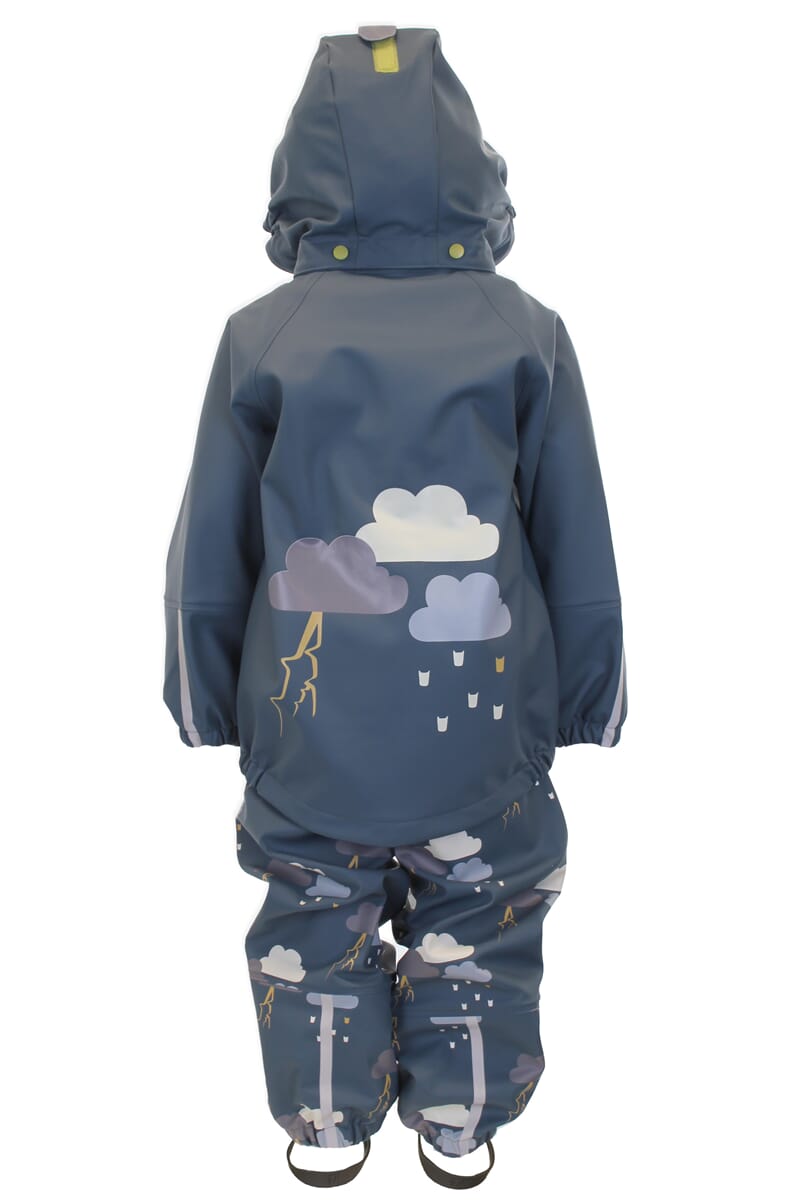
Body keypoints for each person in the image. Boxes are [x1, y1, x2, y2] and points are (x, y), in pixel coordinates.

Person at [163, 25, 627, 1189]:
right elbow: (573, 539)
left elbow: (211, 548)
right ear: (467, 167)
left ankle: (324, 1123)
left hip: (305, 736)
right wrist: (586, 702)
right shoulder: (524, 331)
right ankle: (458, 1124)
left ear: (302, 171)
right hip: (482, 734)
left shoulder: (261, 337)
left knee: (310, 921)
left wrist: (204, 701)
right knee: (484, 916)